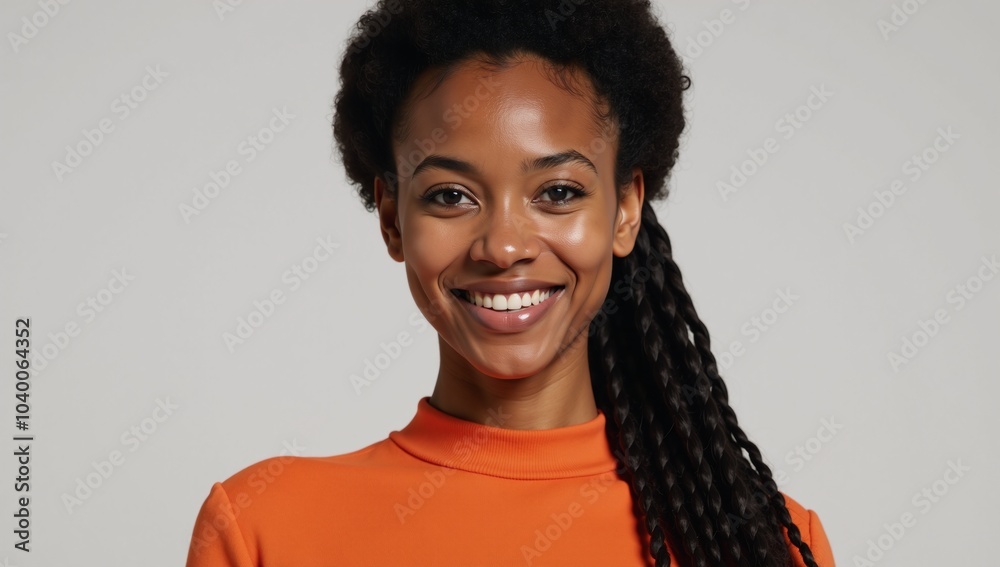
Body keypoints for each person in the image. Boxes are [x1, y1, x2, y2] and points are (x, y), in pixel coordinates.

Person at [185, 0, 836, 565]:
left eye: (558, 192)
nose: (503, 246)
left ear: (625, 210)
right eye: (450, 195)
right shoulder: (262, 527)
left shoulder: (762, 542)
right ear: (392, 219)